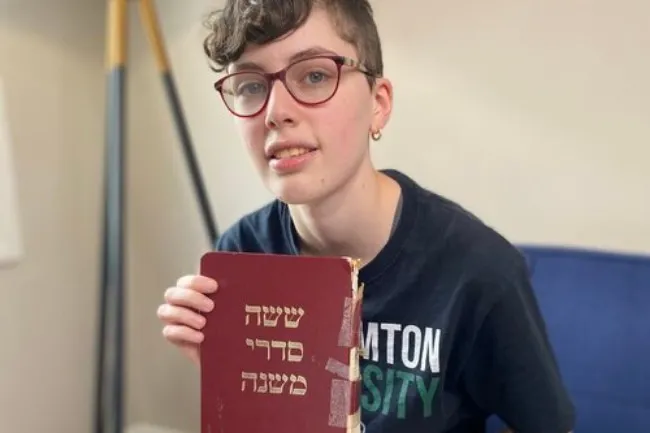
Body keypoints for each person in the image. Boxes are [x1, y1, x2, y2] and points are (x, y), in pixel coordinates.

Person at [157, 0, 575, 432]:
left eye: (315, 75)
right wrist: (228, 377)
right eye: (249, 85)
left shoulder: (479, 271)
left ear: (378, 104)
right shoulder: (242, 257)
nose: (276, 112)